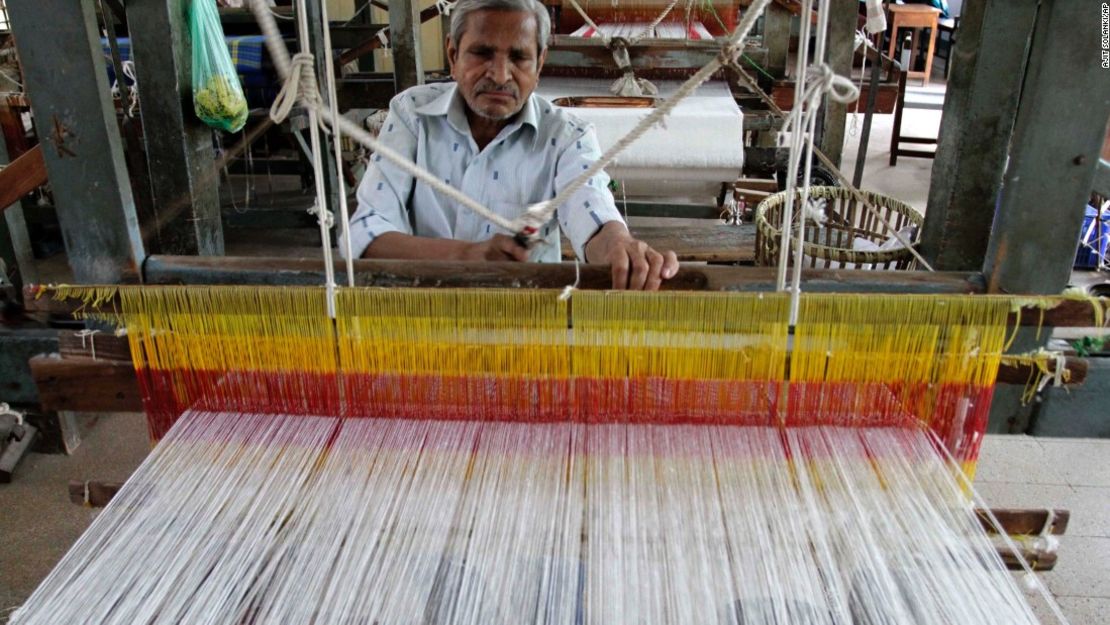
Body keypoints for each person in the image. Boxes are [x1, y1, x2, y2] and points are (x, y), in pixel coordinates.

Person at [340, 0, 680, 290]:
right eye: (482, 53)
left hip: (524, 324)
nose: (500, 75)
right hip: (419, 315)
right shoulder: (412, 114)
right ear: (453, 54)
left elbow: (592, 213)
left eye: (518, 57)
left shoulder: (566, 136)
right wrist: (467, 256)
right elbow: (365, 231)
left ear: (540, 63)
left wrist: (620, 246)